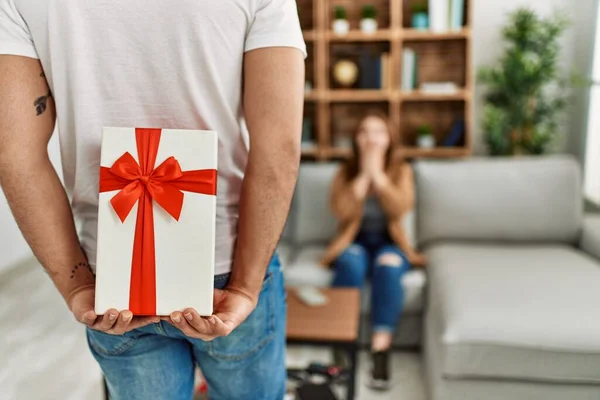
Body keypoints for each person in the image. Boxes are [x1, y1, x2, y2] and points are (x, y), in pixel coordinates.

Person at [0, 1, 305, 399]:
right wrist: (246, 288)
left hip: (112, 276)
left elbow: (14, 156)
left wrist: (77, 286)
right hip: (228, 266)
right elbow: (278, 147)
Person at [320, 110, 427, 391]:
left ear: (390, 138)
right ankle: (341, 345)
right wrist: (363, 177)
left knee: (389, 266)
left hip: (390, 243)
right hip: (353, 241)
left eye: (378, 131)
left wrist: (378, 175)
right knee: (351, 263)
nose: (371, 138)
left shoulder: (402, 170)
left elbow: (400, 207)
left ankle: (380, 351)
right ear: (356, 139)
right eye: (364, 131)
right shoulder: (345, 170)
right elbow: (340, 210)